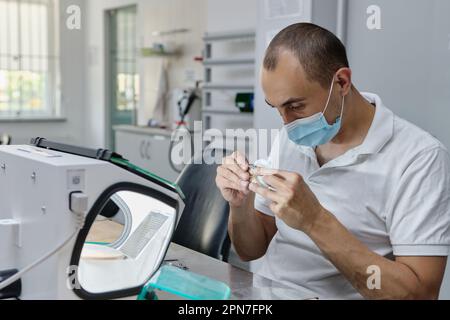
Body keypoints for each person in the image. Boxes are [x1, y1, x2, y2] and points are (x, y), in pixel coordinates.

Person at [215, 23, 450, 299]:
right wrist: (240, 206)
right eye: (277, 109)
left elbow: (419, 295)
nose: (287, 124)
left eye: (295, 106)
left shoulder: (419, 159)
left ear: (341, 82)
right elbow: (251, 249)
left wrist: (315, 221)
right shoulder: (291, 138)